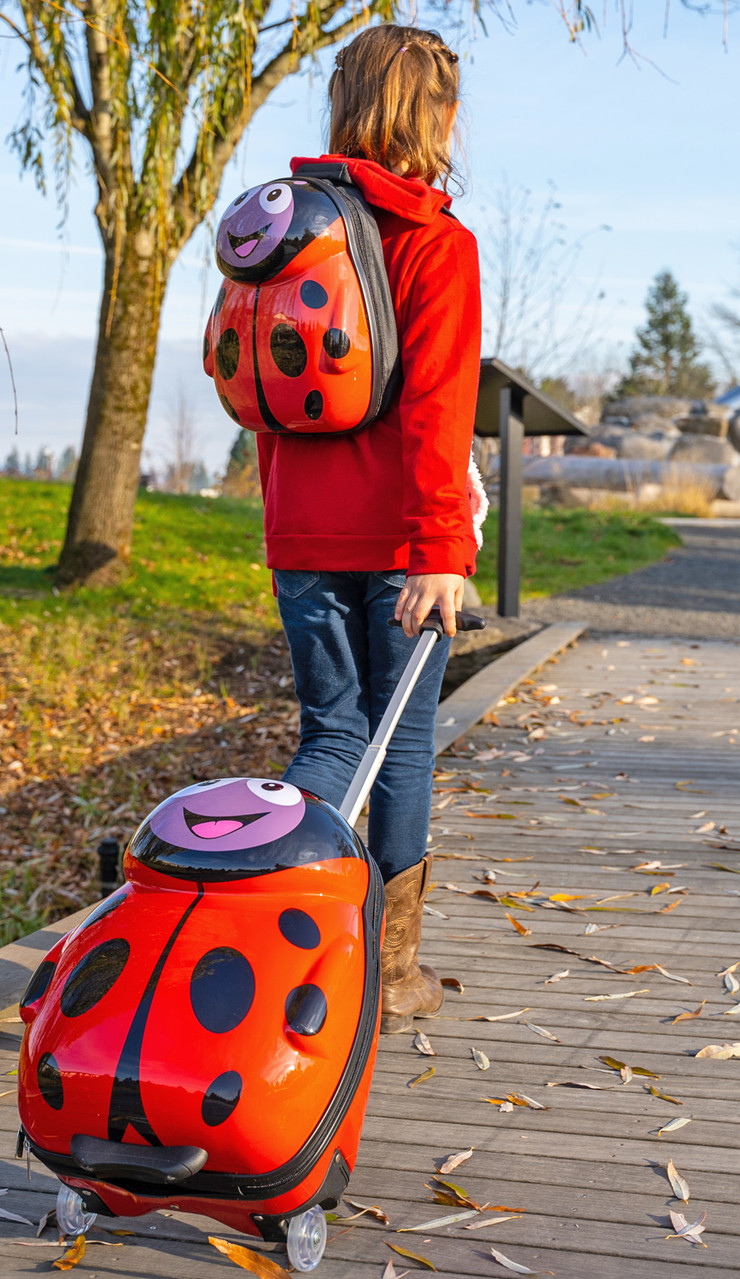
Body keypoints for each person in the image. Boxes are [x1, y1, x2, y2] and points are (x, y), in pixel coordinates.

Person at [257, 24, 482, 1034]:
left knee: (329, 733)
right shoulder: (435, 244)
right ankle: (382, 977)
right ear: (430, 113)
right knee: (397, 746)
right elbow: (437, 404)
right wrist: (441, 546)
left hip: (299, 533)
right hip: (399, 544)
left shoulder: (278, 230)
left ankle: (265, 928)